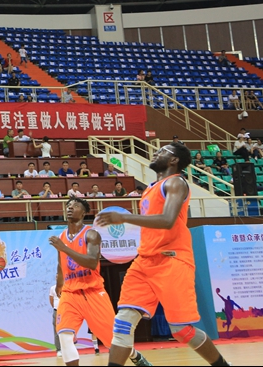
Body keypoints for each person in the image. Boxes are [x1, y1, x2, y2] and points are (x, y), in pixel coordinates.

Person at [96, 143, 231, 367]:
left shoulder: (176, 182)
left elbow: (168, 221)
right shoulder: (150, 188)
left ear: (174, 160)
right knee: (122, 322)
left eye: (163, 151)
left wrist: (125, 218)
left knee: (181, 330)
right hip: (144, 261)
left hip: (172, 259)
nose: (156, 153)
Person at [48, 198, 152, 367]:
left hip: (93, 292)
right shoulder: (62, 237)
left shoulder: (91, 234)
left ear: (83, 213)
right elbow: (61, 263)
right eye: (68, 205)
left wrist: (64, 248)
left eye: (75, 206)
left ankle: (134, 355)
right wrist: (59, 283)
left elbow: (91, 261)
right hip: (70, 293)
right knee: (64, 336)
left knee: (114, 341)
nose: (70, 208)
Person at [48, 276, 61, 359]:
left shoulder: (66, 287)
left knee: (67, 330)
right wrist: (55, 307)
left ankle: (68, 348)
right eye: (56, 277)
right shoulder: (53, 288)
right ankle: (59, 349)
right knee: (57, 330)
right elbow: (51, 299)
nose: (57, 278)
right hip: (57, 311)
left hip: (66, 311)